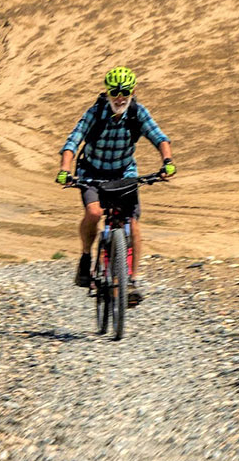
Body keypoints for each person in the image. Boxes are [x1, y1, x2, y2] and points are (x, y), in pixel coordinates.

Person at [55, 66, 174, 304]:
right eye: (115, 91)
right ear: (107, 91)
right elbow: (73, 141)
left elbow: (159, 137)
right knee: (94, 212)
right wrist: (64, 170)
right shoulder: (95, 113)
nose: (120, 96)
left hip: (124, 172)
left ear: (132, 91)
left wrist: (168, 162)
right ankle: (87, 257)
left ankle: (131, 280)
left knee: (132, 222)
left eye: (125, 91)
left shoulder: (137, 113)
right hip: (91, 171)